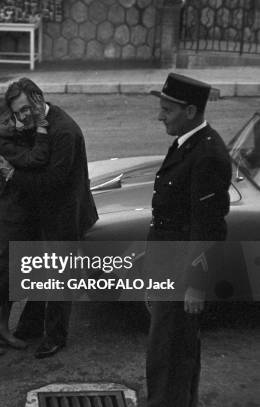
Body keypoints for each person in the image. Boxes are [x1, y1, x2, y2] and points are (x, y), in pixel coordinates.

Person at [0, 78, 98, 359]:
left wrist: (13, 174)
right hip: (46, 212)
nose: (23, 117)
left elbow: (53, 181)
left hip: (65, 214)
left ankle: (56, 337)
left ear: (39, 98)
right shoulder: (39, 124)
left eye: (26, 109)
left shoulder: (65, 131)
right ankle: (33, 324)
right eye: (17, 113)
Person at [145, 73, 231, 407]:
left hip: (182, 271)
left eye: (167, 109)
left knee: (169, 355)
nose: (160, 116)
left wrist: (196, 283)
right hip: (169, 262)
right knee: (176, 351)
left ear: (191, 111)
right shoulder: (189, 142)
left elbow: (208, 227)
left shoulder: (207, 154)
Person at [0, 96, 51, 355]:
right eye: (5, 121)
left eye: (12, 118)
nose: (12, 124)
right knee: (2, 276)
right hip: (12, 218)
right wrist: (43, 130)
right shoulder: (2, 146)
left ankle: (0, 328)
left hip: (22, 216)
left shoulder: (8, 139)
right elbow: (35, 159)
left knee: (14, 277)